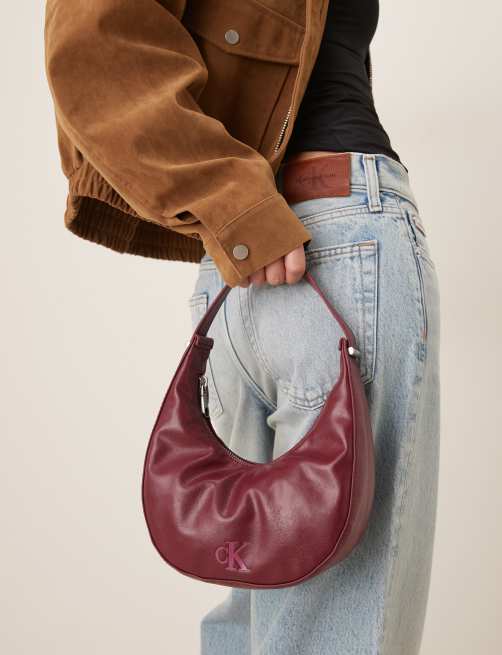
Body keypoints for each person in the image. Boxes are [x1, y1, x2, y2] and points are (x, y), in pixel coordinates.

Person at [44, 1, 440, 654]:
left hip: (239, 266)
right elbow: (97, 44)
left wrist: (235, 212)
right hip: (329, 241)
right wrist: (238, 206)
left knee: (253, 610)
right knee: (334, 617)